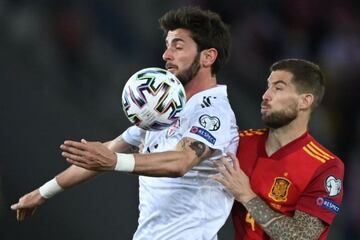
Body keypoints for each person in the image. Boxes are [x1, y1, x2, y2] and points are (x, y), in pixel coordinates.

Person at [11, 7, 239, 240]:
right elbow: (103, 153)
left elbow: (182, 161)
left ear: (208, 57)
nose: (166, 55)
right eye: (167, 45)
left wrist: (114, 162)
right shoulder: (165, 108)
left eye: (178, 46)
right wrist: (42, 193)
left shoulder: (214, 111)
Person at [212, 59, 344, 239]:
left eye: (278, 88)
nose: (266, 95)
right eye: (268, 86)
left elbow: (301, 237)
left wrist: (246, 195)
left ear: (304, 101)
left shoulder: (326, 167)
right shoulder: (239, 142)